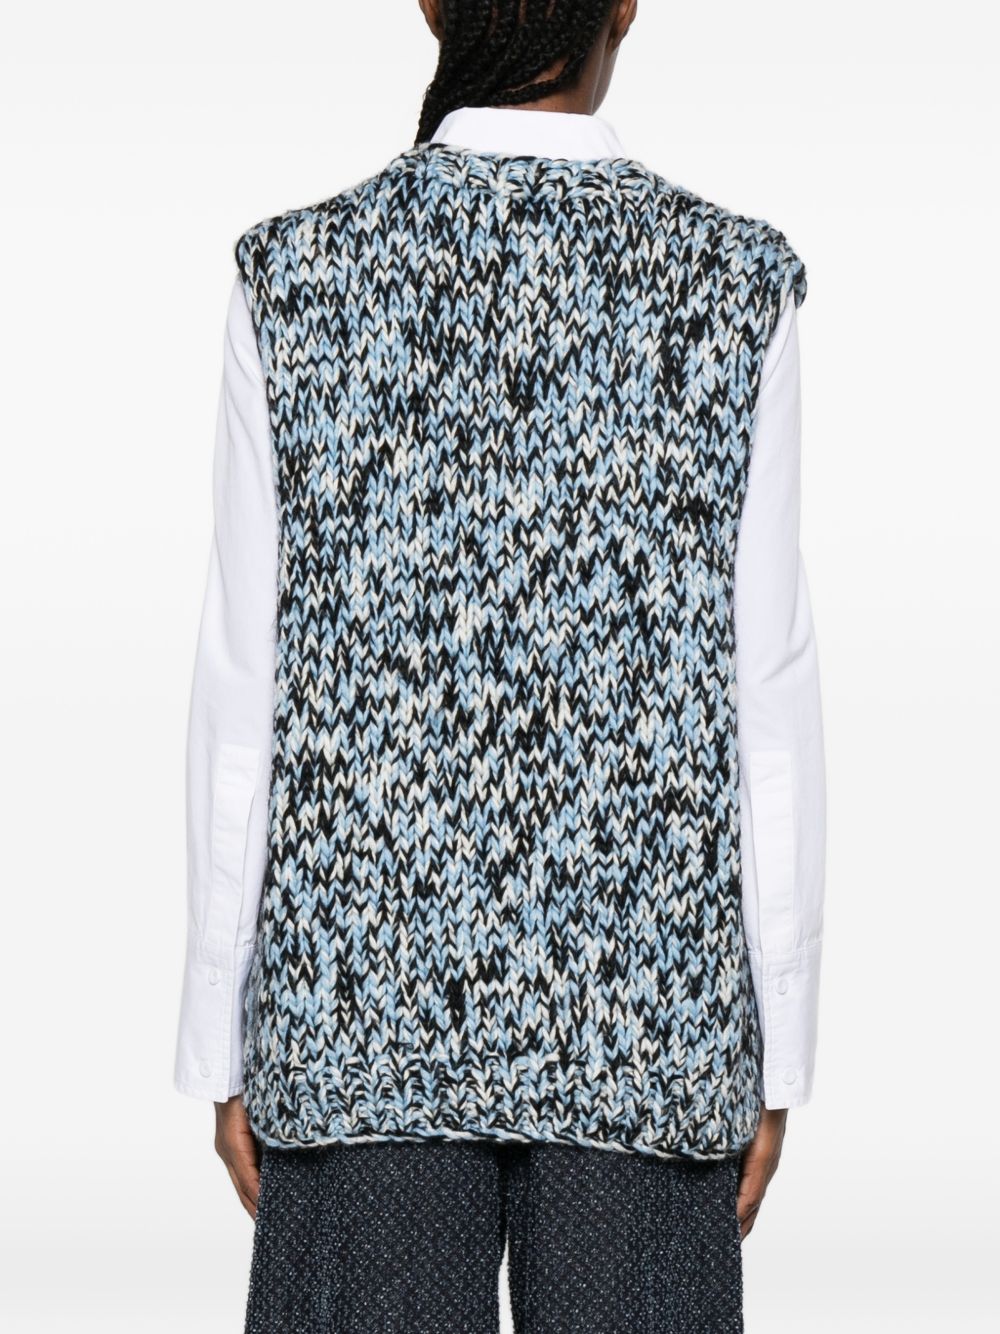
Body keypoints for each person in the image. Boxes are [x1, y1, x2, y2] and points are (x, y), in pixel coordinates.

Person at [174, 2, 826, 1329]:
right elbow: (768, 694)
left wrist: (219, 1028)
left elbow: (247, 686)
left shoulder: (300, 274)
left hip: (360, 1014)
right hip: (647, 1025)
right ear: (625, 4)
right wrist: (781, 1042)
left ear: (430, 1)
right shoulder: (728, 280)